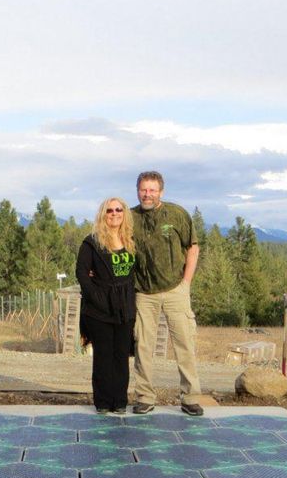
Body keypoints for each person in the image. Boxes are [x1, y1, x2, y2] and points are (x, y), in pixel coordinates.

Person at [130, 171, 203, 416]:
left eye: (152, 190)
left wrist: (186, 283)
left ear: (161, 191)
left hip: (175, 289)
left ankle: (190, 397)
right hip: (143, 292)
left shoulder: (177, 214)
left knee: (184, 344)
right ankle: (144, 397)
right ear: (138, 190)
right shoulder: (130, 217)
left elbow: (193, 248)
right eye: (143, 189)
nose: (147, 194)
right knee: (143, 346)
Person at [76, 197, 137, 413]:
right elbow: (82, 273)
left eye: (118, 209)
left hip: (125, 308)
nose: (114, 213)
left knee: (121, 356)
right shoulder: (91, 242)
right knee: (103, 357)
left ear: (124, 213)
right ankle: (102, 402)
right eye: (109, 210)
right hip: (99, 310)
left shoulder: (131, 240)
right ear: (103, 214)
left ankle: (119, 401)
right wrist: (96, 296)